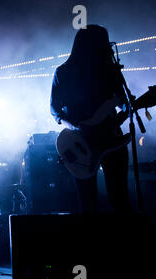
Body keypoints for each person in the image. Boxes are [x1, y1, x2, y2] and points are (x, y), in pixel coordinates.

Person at [50, 25, 132, 214]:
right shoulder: (64, 72)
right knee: (88, 205)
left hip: (111, 140)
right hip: (80, 142)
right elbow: (55, 108)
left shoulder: (110, 71)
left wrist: (127, 107)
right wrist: (74, 126)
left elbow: (122, 101)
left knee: (120, 200)